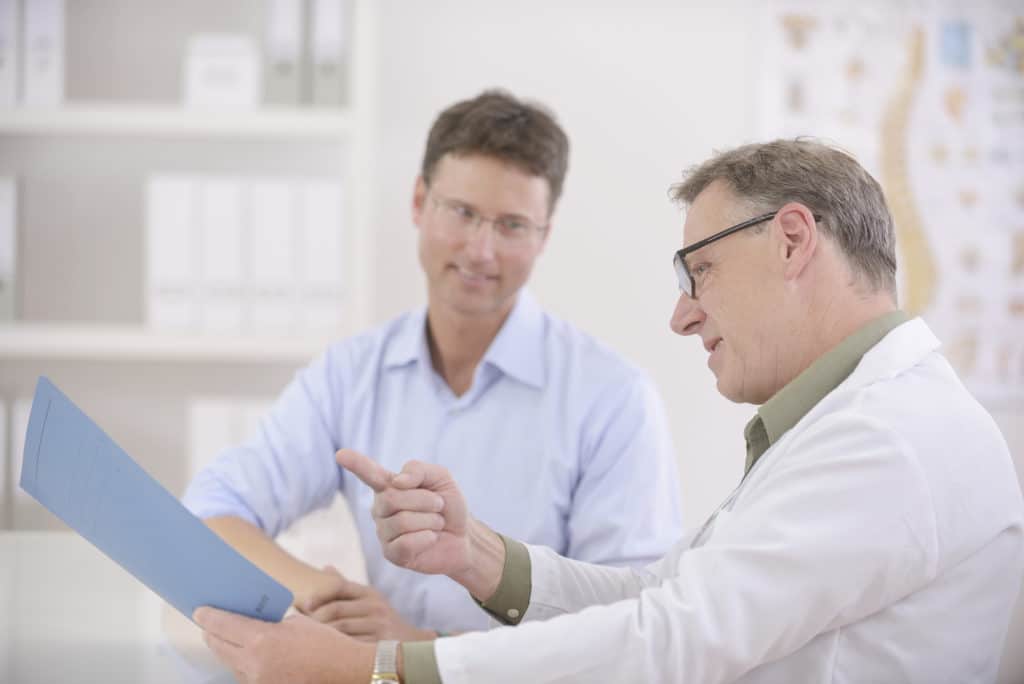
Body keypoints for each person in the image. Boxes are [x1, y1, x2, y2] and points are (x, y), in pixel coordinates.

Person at [193, 139, 1024, 683]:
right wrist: (482, 557)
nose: (683, 314)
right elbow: (665, 597)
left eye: (698, 271)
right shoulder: (853, 422)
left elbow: (669, 640)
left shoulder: (890, 440)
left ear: (793, 241)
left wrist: (374, 670)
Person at [182, 89, 683, 642]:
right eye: (462, 212)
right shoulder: (352, 373)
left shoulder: (612, 398)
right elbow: (212, 511)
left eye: (512, 225)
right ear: (419, 202)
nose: (480, 250)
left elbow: (630, 628)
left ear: (545, 235)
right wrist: (322, 597)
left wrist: (415, 653)